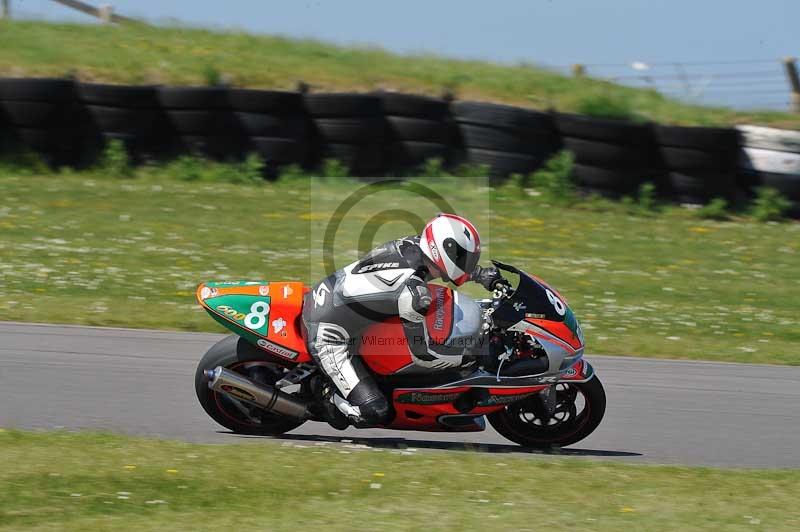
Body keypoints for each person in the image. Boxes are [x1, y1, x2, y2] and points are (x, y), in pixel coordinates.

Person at [302, 213, 506, 428]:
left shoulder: (415, 245)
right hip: (329, 333)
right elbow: (423, 353)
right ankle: (324, 395)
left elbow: (450, 264)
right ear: (444, 250)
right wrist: (468, 357)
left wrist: (481, 274)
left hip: (334, 299)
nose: (468, 263)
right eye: (464, 258)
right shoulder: (414, 294)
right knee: (374, 411)